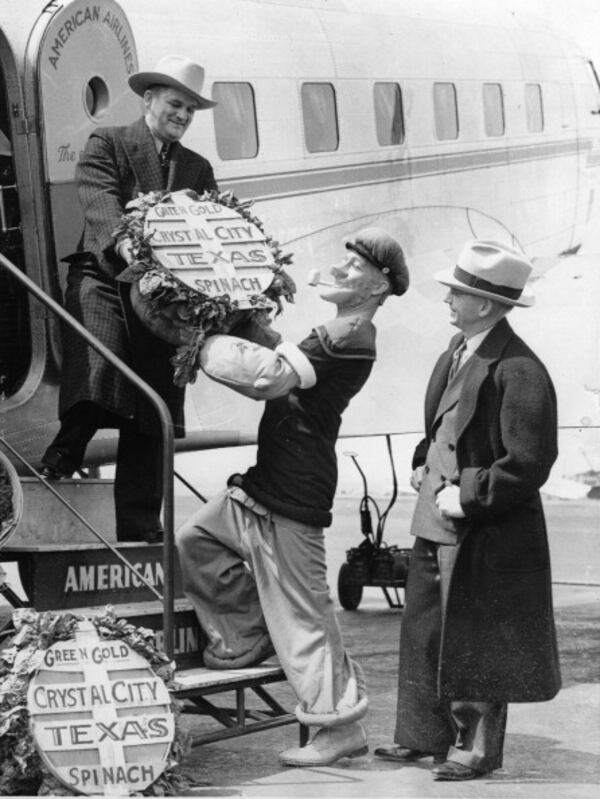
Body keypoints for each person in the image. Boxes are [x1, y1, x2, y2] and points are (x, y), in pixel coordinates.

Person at [176, 228, 409, 766]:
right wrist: (251, 325)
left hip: (294, 491)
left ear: (379, 287)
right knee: (198, 542)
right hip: (265, 482)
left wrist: (205, 340)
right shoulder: (335, 327)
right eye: (345, 260)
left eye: (356, 267)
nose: (342, 270)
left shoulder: (352, 332)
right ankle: (246, 638)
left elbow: (273, 378)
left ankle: (339, 727)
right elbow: (283, 354)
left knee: (303, 614)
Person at [374, 239, 561, 780]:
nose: (448, 300)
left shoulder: (520, 368)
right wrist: (421, 462)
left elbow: (528, 463)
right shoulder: (457, 350)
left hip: (482, 530)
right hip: (437, 521)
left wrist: (469, 494)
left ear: (484, 303)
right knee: (425, 630)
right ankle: (423, 737)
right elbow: (443, 426)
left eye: (456, 293)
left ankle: (474, 749)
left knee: (476, 637)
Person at [40, 56, 218, 542]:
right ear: (148, 100)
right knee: (103, 354)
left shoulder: (197, 169)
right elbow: (100, 204)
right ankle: (66, 450)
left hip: (162, 296)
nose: (181, 115)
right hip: (104, 275)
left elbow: (212, 232)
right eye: (175, 105)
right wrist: (129, 248)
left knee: (154, 399)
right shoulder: (110, 143)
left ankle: (141, 526)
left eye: (190, 110)